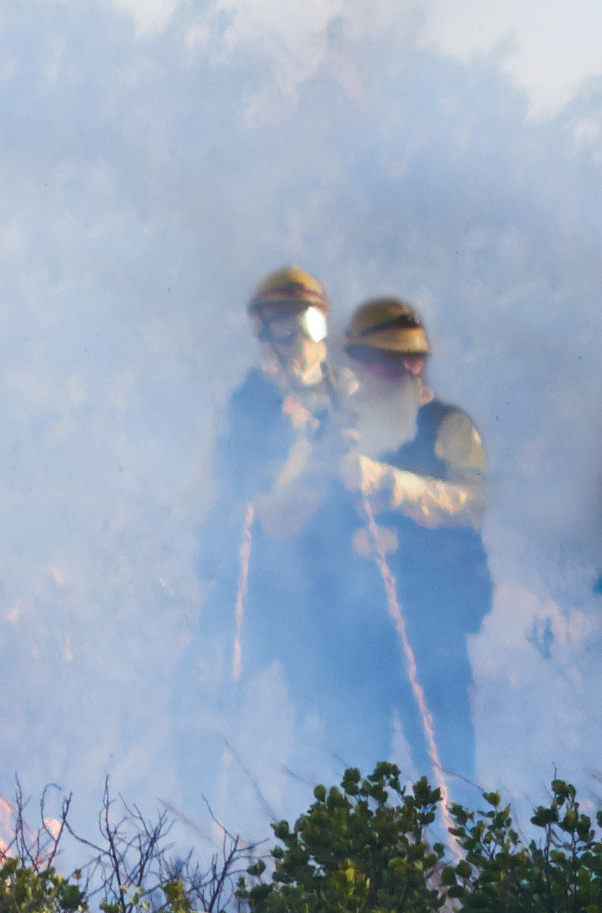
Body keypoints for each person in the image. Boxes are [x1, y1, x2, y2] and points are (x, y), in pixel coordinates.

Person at [305, 295, 500, 788]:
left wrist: (391, 484)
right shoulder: (336, 428)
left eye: (407, 360)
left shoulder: (450, 426)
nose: (400, 372)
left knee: (449, 765)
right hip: (353, 624)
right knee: (353, 765)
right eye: (381, 361)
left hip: (432, 618)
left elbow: (472, 502)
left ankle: (458, 838)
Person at [213, 266, 337, 676]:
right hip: (263, 560)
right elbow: (233, 471)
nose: (297, 341)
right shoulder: (250, 399)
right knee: (214, 666)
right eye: (283, 328)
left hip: (330, 564)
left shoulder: (344, 393)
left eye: (306, 325)